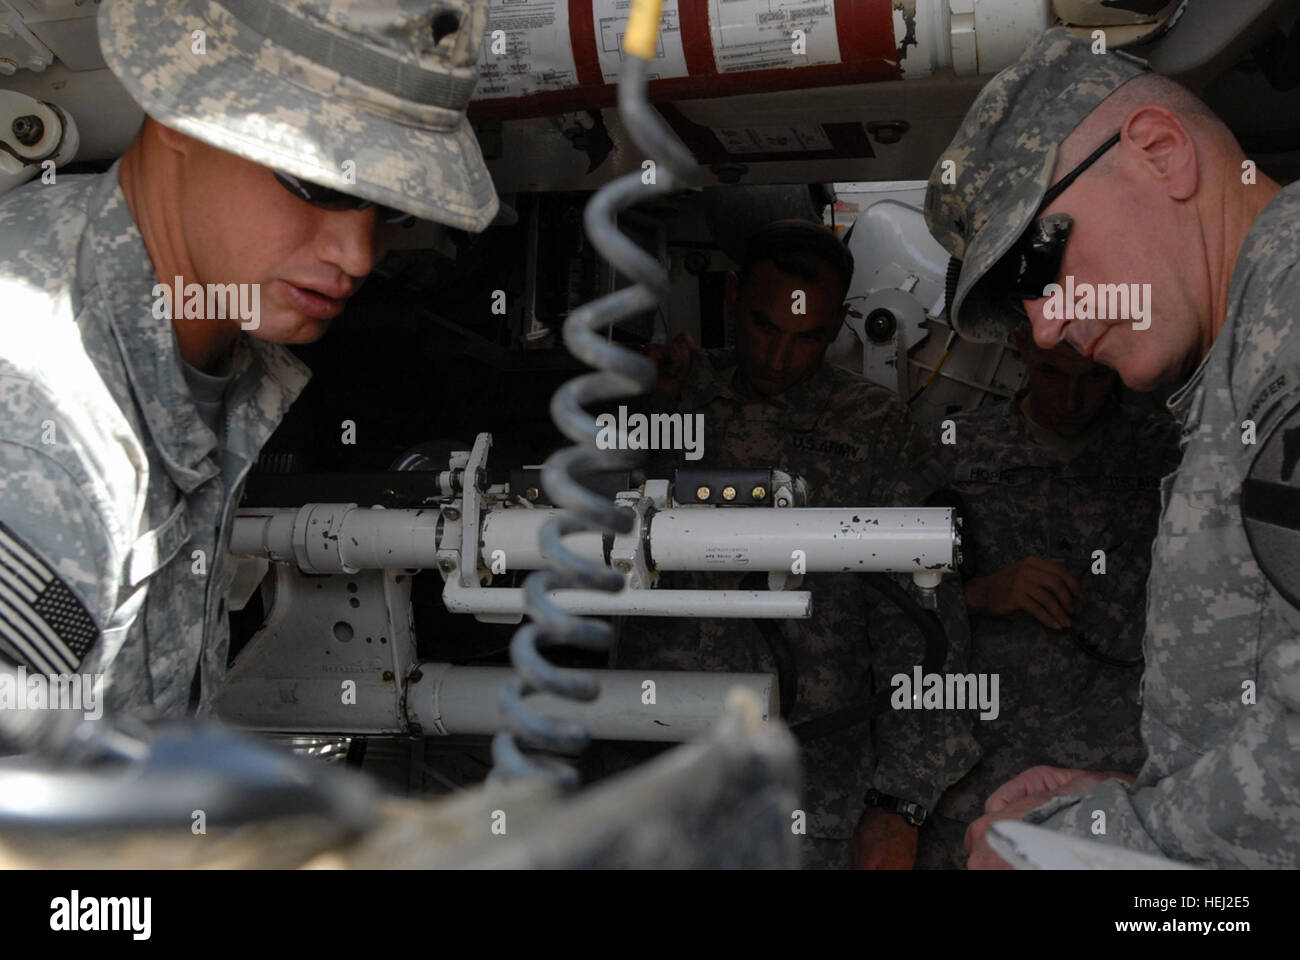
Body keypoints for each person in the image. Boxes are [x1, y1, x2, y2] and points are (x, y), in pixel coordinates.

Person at [0, 0, 499, 720]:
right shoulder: (44, 431)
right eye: (317, 181)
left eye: (391, 206)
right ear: (180, 109)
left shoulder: (194, 322)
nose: (356, 255)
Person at [926, 27, 1300, 867]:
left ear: (1162, 154)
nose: (1047, 324)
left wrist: (1095, 842)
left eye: (1042, 265)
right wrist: (1135, 799)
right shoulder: (1238, 363)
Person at [623, 219, 979, 869]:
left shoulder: (873, 428)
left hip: (810, 796)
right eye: (765, 327)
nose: (782, 359)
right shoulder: (673, 395)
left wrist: (900, 803)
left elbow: (922, 621)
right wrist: (640, 400)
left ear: (840, 320)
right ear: (731, 297)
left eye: (810, 337)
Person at [906, 326, 1178, 868]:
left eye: (1093, 379)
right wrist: (980, 594)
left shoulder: (1162, 454)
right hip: (978, 774)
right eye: (1052, 373)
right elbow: (884, 602)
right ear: (1023, 348)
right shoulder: (954, 447)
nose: (1072, 400)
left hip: (1115, 776)